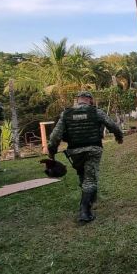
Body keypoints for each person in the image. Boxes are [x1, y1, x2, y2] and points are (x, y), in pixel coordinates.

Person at [47, 91, 124, 223]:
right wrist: (119, 136)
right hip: (93, 149)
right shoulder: (96, 112)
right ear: (89, 100)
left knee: (83, 174)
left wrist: (52, 151)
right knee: (90, 178)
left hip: (74, 151)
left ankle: (91, 198)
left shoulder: (66, 113)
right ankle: (84, 211)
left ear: (78, 100)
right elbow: (112, 125)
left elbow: (55, 136)